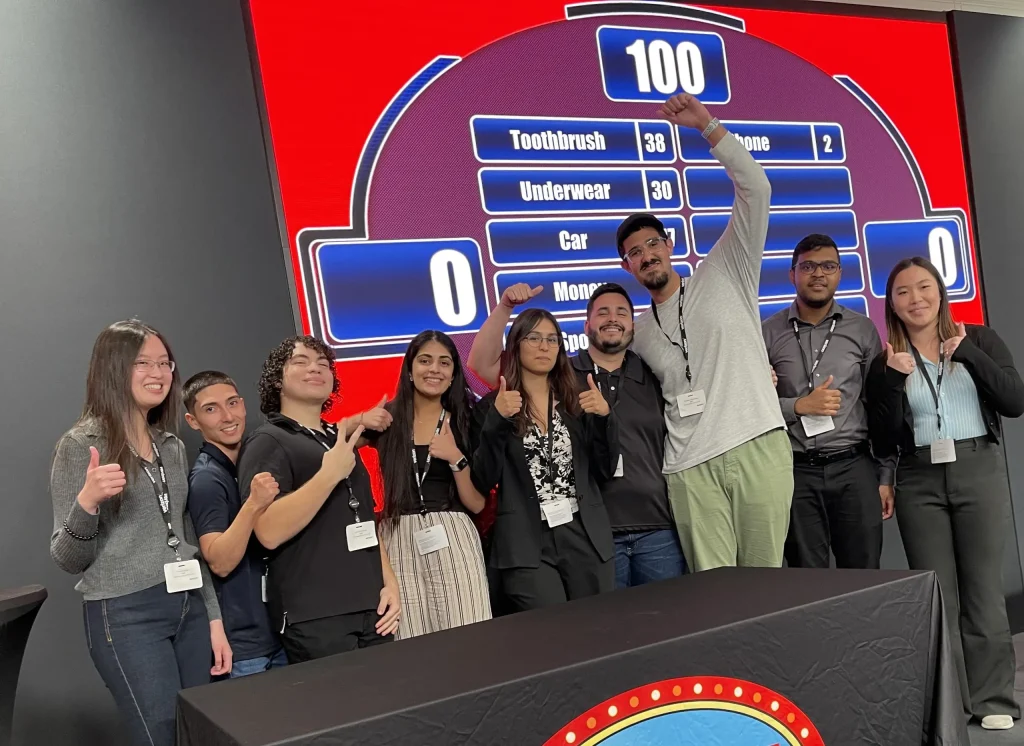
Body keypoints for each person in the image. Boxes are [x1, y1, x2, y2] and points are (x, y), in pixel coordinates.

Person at [617, 94, 792, 572]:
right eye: (635, 252)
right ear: (627, 266)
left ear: (670, 244)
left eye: (653, 243)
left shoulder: (726, 269)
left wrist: (707, 126)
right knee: (716, 598)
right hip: (689, 468)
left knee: (766, 587)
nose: (647, 255)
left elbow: (756, 188)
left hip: (756, 442)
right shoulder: (637, 332)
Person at [49, 320, 229, 746]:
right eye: (143, 363)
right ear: (113, 368)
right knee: (160, 736)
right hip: (126, 614)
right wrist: (87, 503)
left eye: (165, 363)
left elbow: (185, 534)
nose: (158, 373)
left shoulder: (171, 445)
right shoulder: (80, 446)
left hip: (188, 605)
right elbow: (67, 558)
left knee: (202, 732)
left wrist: (214, 616)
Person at [867, 257, 1023, 730]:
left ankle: (994, 700)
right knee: (939, 594)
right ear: (892, 304)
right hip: (919, 477)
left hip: (977, 466)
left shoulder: (979, 339)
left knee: (983, 589)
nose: (916, 299)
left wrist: (968, 355)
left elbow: (1014, 400)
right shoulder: (887, 360)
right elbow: (882, 436)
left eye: (924, 287)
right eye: (903, 292)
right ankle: (951, 705)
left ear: (940, 292)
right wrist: (892, 381)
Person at [469, 283, 684, 588]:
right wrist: (505, 307)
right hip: (592, 532)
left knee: (668, 614)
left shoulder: (653, 373)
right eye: (603, 312)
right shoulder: (560, 376)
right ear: (585, 326)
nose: (613, 318)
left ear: (633, 326)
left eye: (622, 312)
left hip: (656, 526)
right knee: (602, 618)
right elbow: (481, 364)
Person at [236, 335, 401, 662]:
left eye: (323, 364)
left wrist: (390, 583)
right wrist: (328, 476)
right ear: (277, 379)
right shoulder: (268, 441)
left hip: (374, 606)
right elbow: (267, 532)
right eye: (301, 362)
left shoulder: (335, 439)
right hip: (316, 614)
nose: (315, 369)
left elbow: (364, 519)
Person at [471, 308, 616, 609]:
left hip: (583, 532)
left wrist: (604, 418)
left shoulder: (578, 399)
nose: (544, 347)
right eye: (534, 338)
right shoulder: (496, 405)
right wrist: (498, 420)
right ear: (516, 344)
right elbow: (483, 478)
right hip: (526, 541)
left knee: (599, 627)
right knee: (551, 631)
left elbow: (606, 468)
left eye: (552, 339)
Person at [762, 234, 892, 569]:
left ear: (839, 273)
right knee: (808, 580)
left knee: (864, 573)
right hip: (795, 471)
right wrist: (797, 407)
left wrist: (885, 473)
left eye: (828, 266)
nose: (818, 274)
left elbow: (878, 405)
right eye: (808, 266)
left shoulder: (862, 329)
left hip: (854, 467)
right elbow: (753, 406)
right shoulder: (767, 333)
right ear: (792, 274)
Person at [369, 331, 491, 638]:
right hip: (397, 536)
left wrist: (455, 458)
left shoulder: (466, 419)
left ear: (453, 374)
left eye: (444, 363)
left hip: (453, 532)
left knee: (468, 638)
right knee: (410, 643)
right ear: (410, 370)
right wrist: (360, 421)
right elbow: (334, 447)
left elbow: (477, 504)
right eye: (425, 361)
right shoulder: (386, 419)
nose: (434, 369)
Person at [184, 371, 287, 677]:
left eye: (232, 403)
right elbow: (220, 562)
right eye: (211, 409)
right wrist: (254, 505)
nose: (227, 416)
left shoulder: (244, 465)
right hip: (245, 647)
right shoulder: (207, 479)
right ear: (193, 421)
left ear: (243, 405)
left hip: (275, 632)